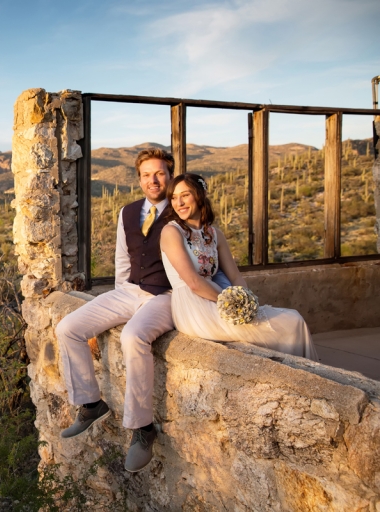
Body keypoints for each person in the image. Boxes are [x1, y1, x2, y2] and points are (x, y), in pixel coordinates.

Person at [55, 149, 231, 473]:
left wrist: (227, 296)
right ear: (138, 179)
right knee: (68, 328)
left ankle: (142, 428)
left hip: (165, 295)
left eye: (160, 173)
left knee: (134, 336)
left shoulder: (182, 214)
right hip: (129, 290)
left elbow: (209, 262)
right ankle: (91, 403)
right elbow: (122, 261)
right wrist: (119, 296)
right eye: (147, 175)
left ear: (171, 175)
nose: (153, 180)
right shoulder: (128, 212)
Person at [160, 173, 318, 361]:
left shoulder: (214, 234)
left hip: (218, 301)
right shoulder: (171, 232)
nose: (179, 203)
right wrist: (232, 304)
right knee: (291, 322)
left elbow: (235, 276)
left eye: (185, 195)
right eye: (174, 198)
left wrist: (247, 303)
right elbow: (193, 282)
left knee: (293, 319)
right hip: (195, 308)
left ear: (200, 195)